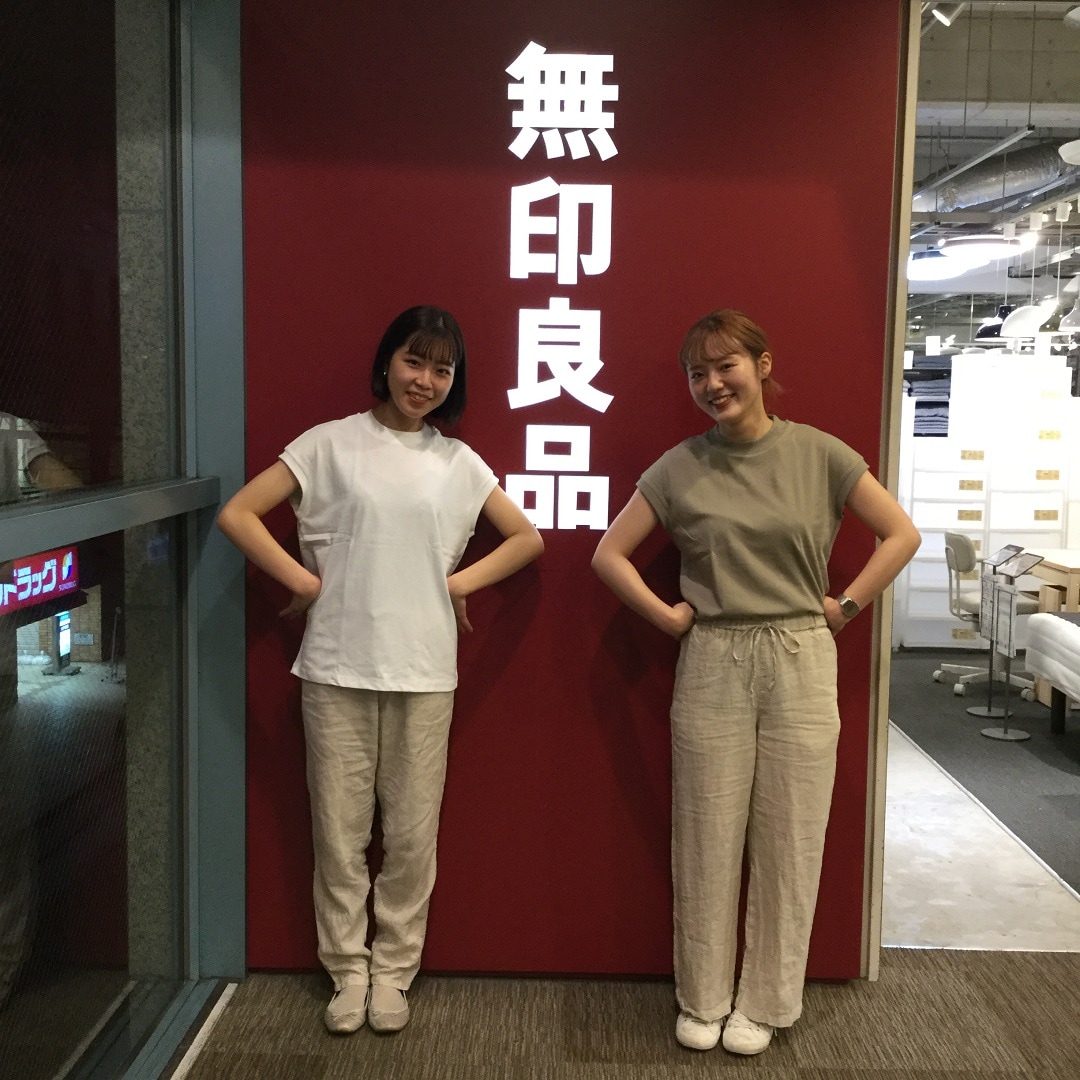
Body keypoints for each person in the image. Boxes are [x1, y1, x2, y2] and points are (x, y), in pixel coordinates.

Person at [592, 309, 919, 1056]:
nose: (712, 384)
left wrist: (846, 605)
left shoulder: (820, 454)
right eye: (697, 373)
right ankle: (703, 997)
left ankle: (767, 1002)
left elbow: (901, 534)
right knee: (705, 830)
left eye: (725, 366)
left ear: (762, 366)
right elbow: (609, 554)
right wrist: (669, 616)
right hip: (713, 655)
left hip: (801, 653)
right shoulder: (680, 466)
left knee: (791, 834)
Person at [217, 306, 543, 1036]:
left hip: (424, 671)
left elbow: (526, 538)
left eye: (441, 369)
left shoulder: (457, 463)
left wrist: (457, 583)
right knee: (338, 833)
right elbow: (239, 515)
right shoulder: (328, 444)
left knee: (411, 836)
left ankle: (394, 969)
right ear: (387, 362)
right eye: (413, 361)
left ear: (454, 381)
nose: (424, 380)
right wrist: (302, 581)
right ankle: (347, 970)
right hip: (336, 665)